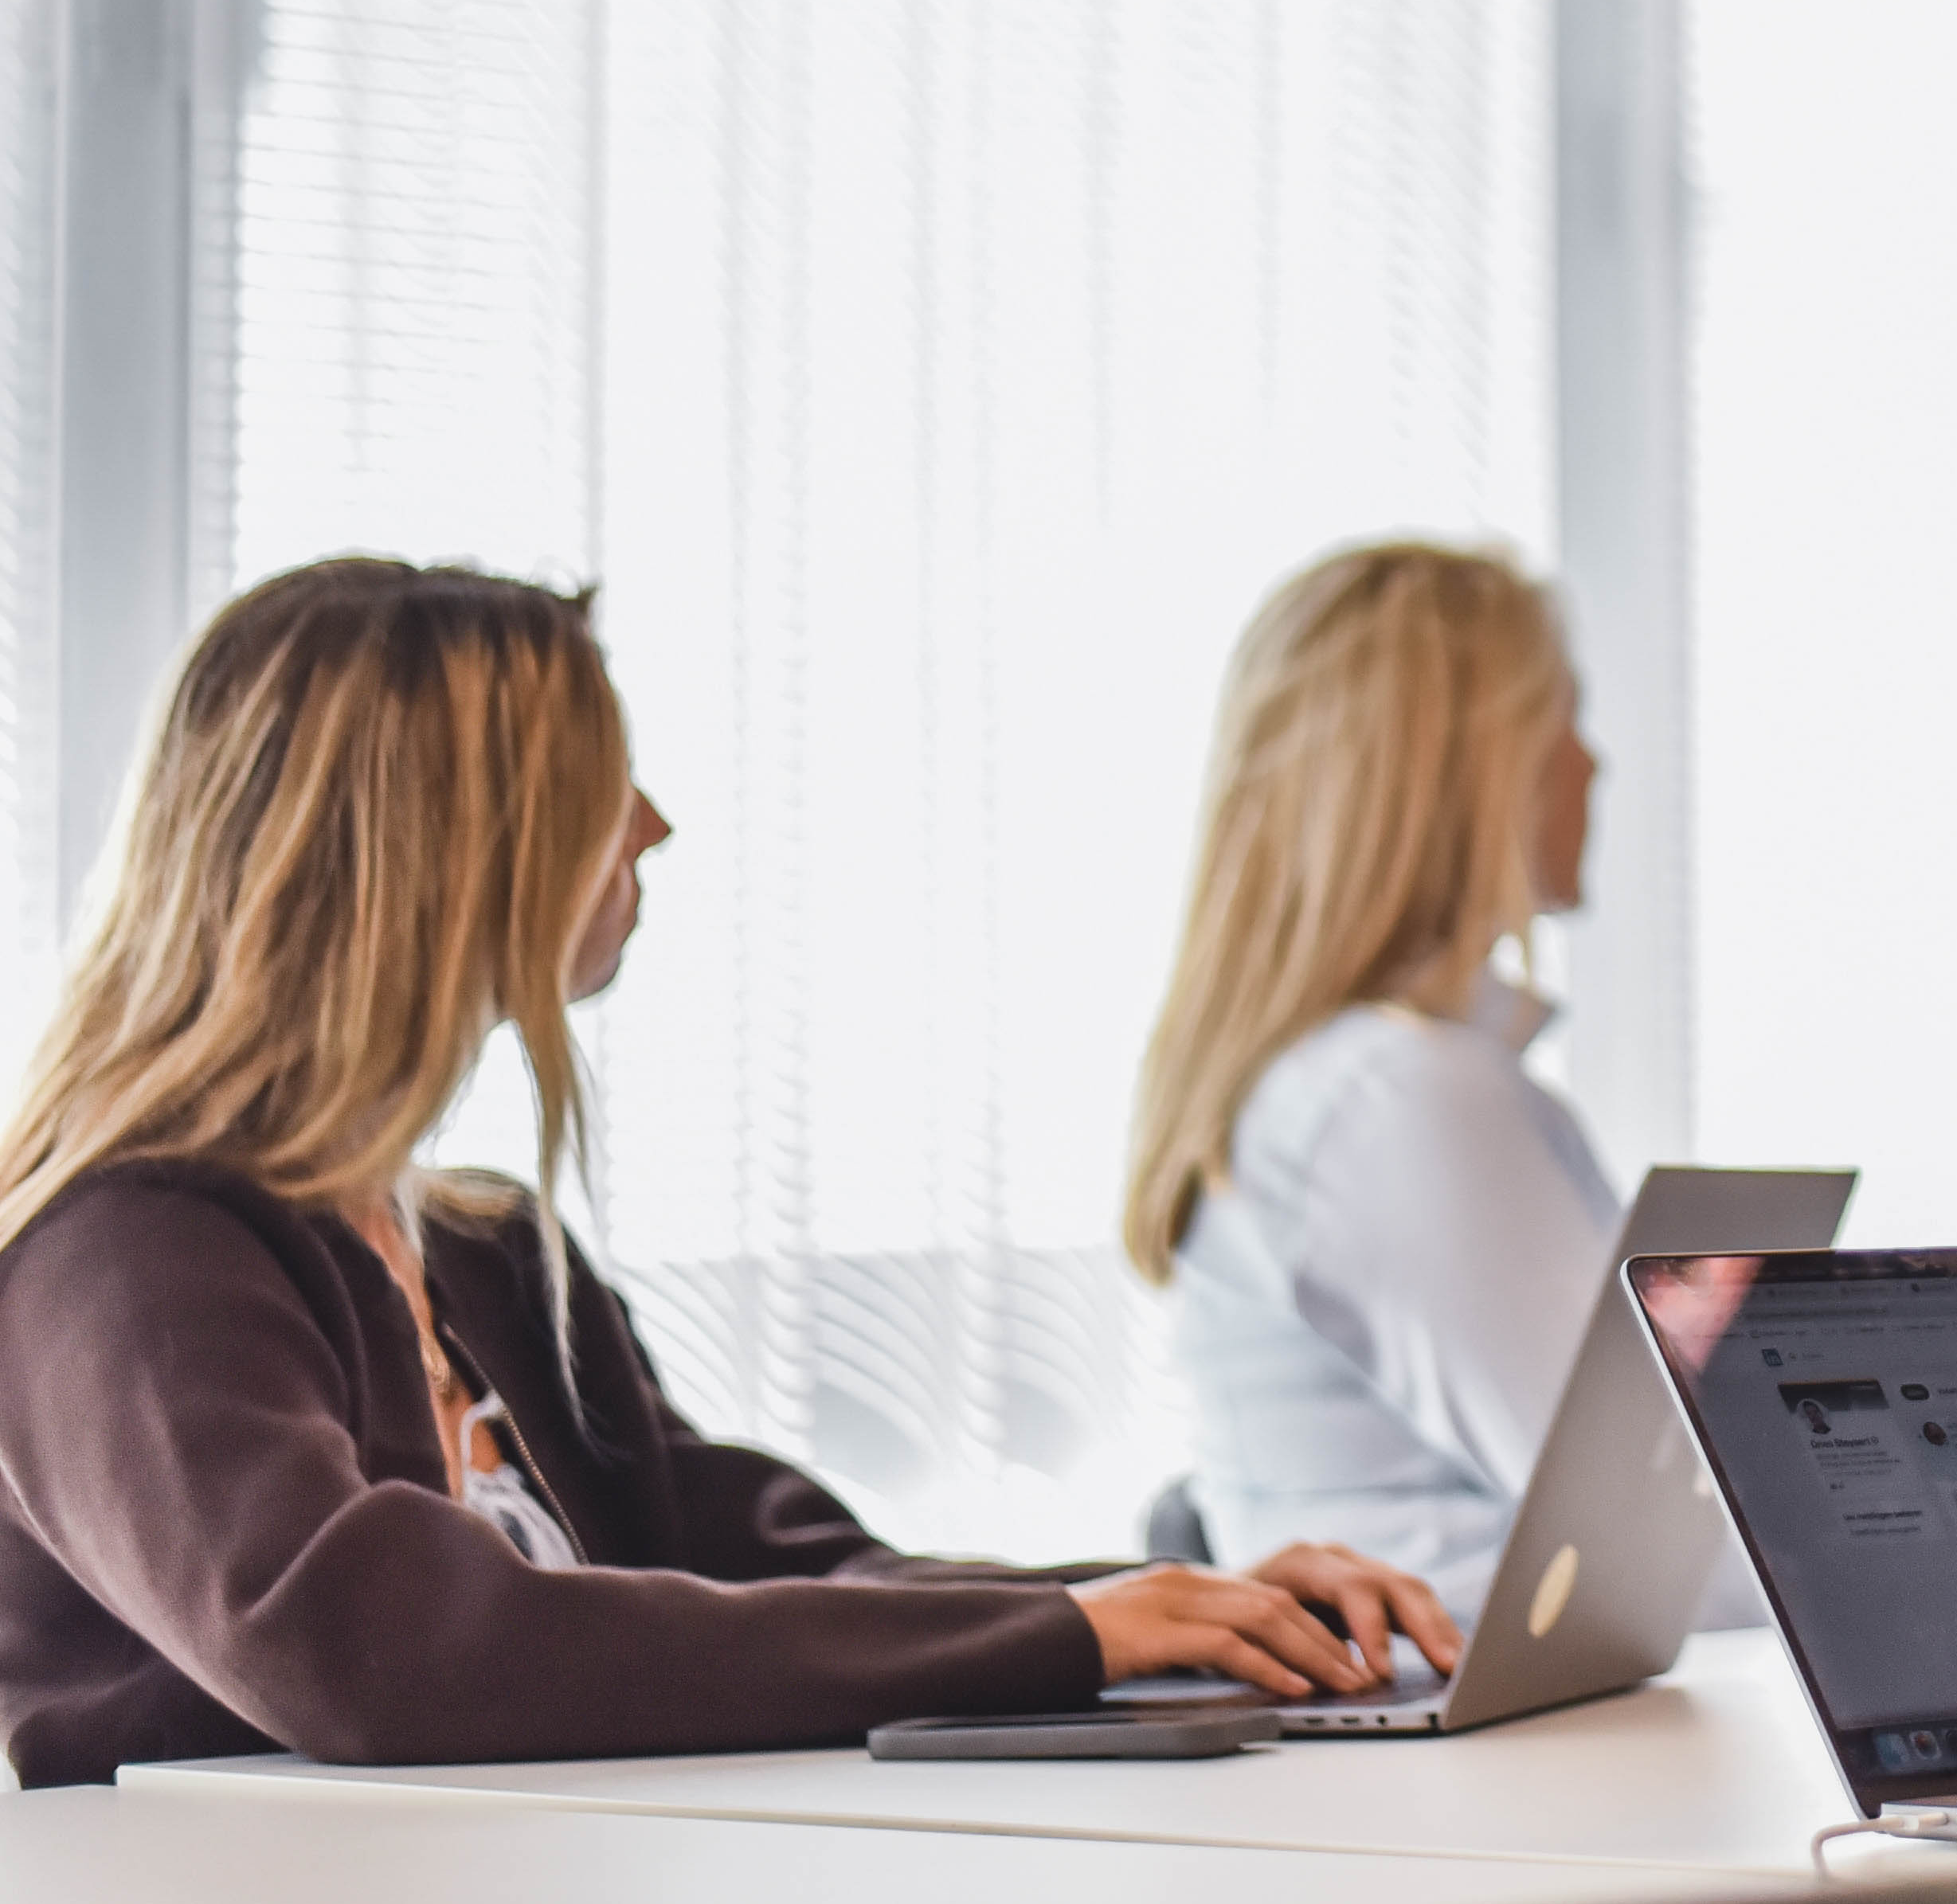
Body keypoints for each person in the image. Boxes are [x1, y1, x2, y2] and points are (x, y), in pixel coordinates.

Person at [0, 560, 1454, 1792]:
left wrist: (1154, 1609)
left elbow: (768, 1565)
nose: (651, 825)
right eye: (598, 783)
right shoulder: (126, 1252)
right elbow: (381, 1652)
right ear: (446, 842)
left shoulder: (484, 1253)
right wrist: (1075, 1638)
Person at [1125, 541, 1615, 1627]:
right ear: (1474, 772)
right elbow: (1646, 1532)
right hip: (1484, 1741)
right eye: (1566, 723)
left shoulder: (1354, 1080)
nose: (1596, 765)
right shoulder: (1397, 1096)